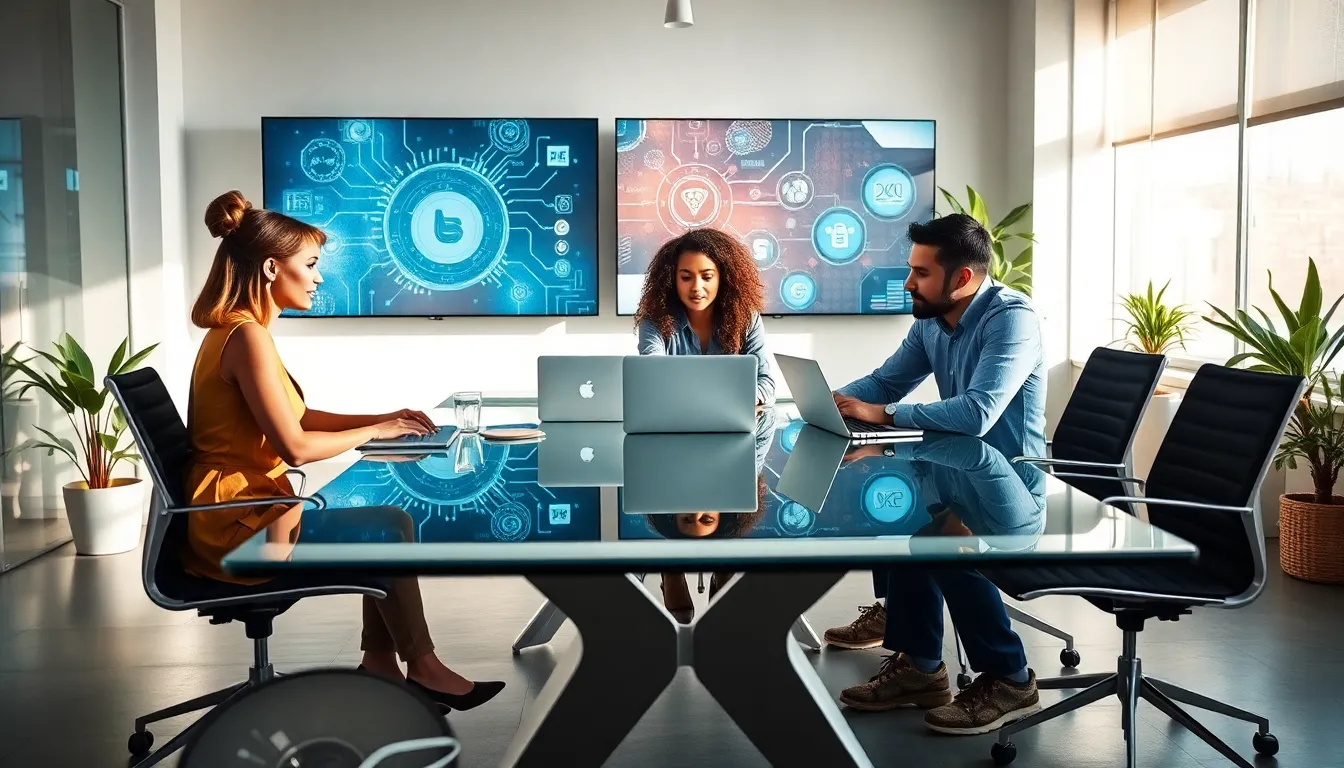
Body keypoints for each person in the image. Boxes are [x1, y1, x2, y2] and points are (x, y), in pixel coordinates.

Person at [184, 190, 504, 712]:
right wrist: (372, 433)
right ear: (271, 268)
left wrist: (383, 420)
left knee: (392, 521)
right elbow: (296, 446)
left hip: (242, 510)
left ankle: (381, 664)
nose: (318, 277)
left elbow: (299, 418)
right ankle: (422, 668)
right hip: (235, 527)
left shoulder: (239, 331)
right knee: (386, 529)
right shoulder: (247, 337)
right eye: (309, 265)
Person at [826, 213, 1046, 735]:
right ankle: (921, 667)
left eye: (920, 273)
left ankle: (1012, 678)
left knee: (948, 545)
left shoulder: (1011, 319)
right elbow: (886, 381)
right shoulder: (932, 321)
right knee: (899, 519)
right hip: (956, 471)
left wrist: (883, 415)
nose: (908, 283)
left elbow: (977, 414)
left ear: (962, 278)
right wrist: (836, 403)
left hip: (1011, 486)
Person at [633, 227, 776, 618]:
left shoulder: (745, 317)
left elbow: (767, 381)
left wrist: (753, 395)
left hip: (733, 446)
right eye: (686, 276)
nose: (697, 286)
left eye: (707, 275)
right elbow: (652, 370)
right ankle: (672, 565)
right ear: (672, 278)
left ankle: (722, 561)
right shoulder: (655, 320)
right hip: (670, 449)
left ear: (723, 276)